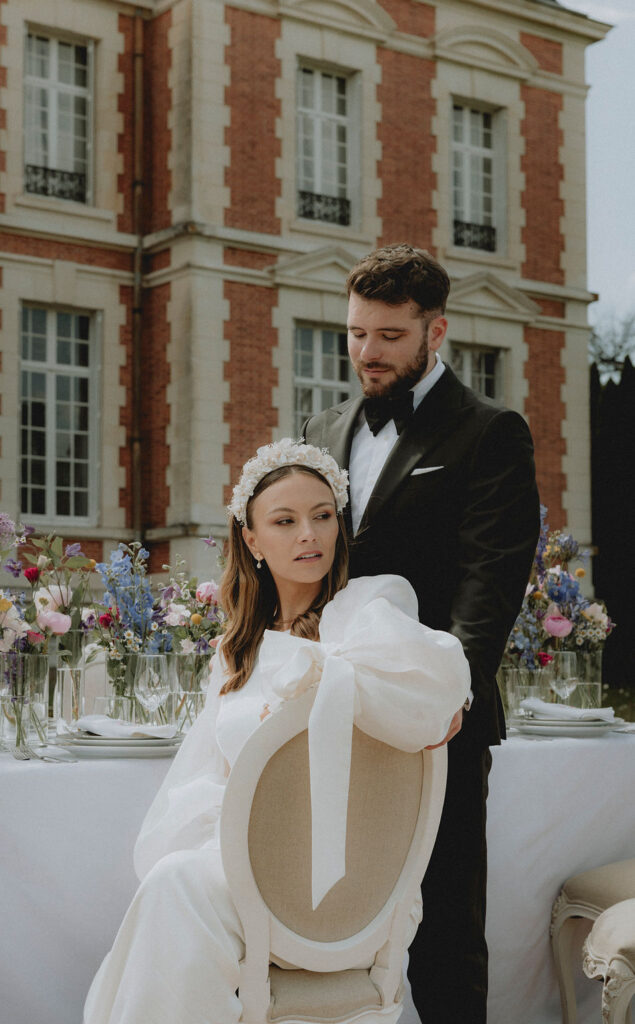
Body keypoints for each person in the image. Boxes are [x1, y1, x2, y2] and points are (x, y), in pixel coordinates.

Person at [83, 438, 471, 1024]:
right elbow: (203, 781)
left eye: (321, 517)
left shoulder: (367, 612)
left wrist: (337, 681)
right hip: (252, 863)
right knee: (174, 879)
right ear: (252, 539)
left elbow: (436, 696)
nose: (308, 535)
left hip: (355, 880)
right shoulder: (236, 651)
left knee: (177, 888)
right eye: (285, 521)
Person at [303, 243, 540, 1024]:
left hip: (440, 718)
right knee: (334, 906)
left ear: (434, 331)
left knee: (442, 926)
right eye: (356, 333)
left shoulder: (490, 431)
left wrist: (451, 694)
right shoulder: (324, 423)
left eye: (389, 337)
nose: (367, 353)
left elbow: (490, 577)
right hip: (337, 704)